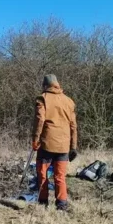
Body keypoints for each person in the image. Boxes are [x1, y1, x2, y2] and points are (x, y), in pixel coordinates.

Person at [31, 74, 78, 211]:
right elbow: (73, 125)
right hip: (64, 145)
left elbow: (40, 120)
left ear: (45, 86)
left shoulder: (42, 99)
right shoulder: (69, 101)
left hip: (46, 143)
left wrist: (35, 139)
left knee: (43, 174)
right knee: (60, 176)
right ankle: (62, 204)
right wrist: (73, 146)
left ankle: (43, 202)